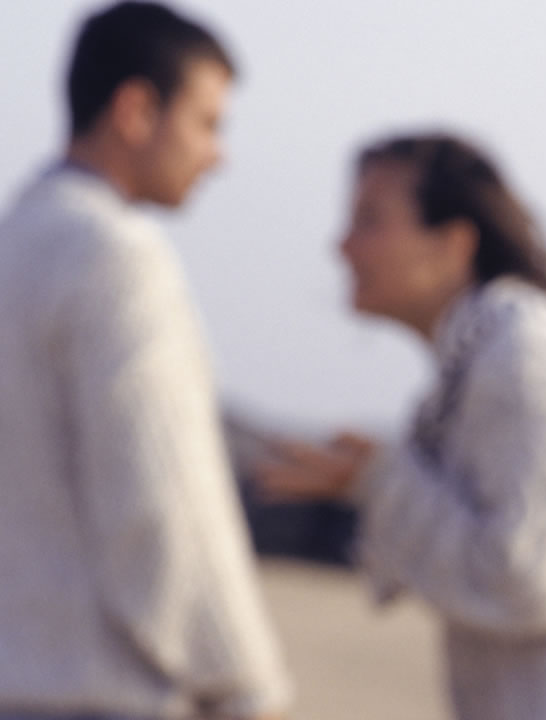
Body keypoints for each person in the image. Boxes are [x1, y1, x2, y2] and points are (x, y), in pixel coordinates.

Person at [256, 133, 546, 720]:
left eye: (369, 220)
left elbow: (531, 581)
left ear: (453, 243)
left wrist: (382, 483)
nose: (343, 245)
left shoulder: (525, 356)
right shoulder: (491, 355)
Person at [0, 3, 291, 718]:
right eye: (207, 123)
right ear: (135, 111)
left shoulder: (16, 243)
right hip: (99, 694)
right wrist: (246, 684)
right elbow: (160, 504)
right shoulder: (115, 255)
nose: (217, 155)